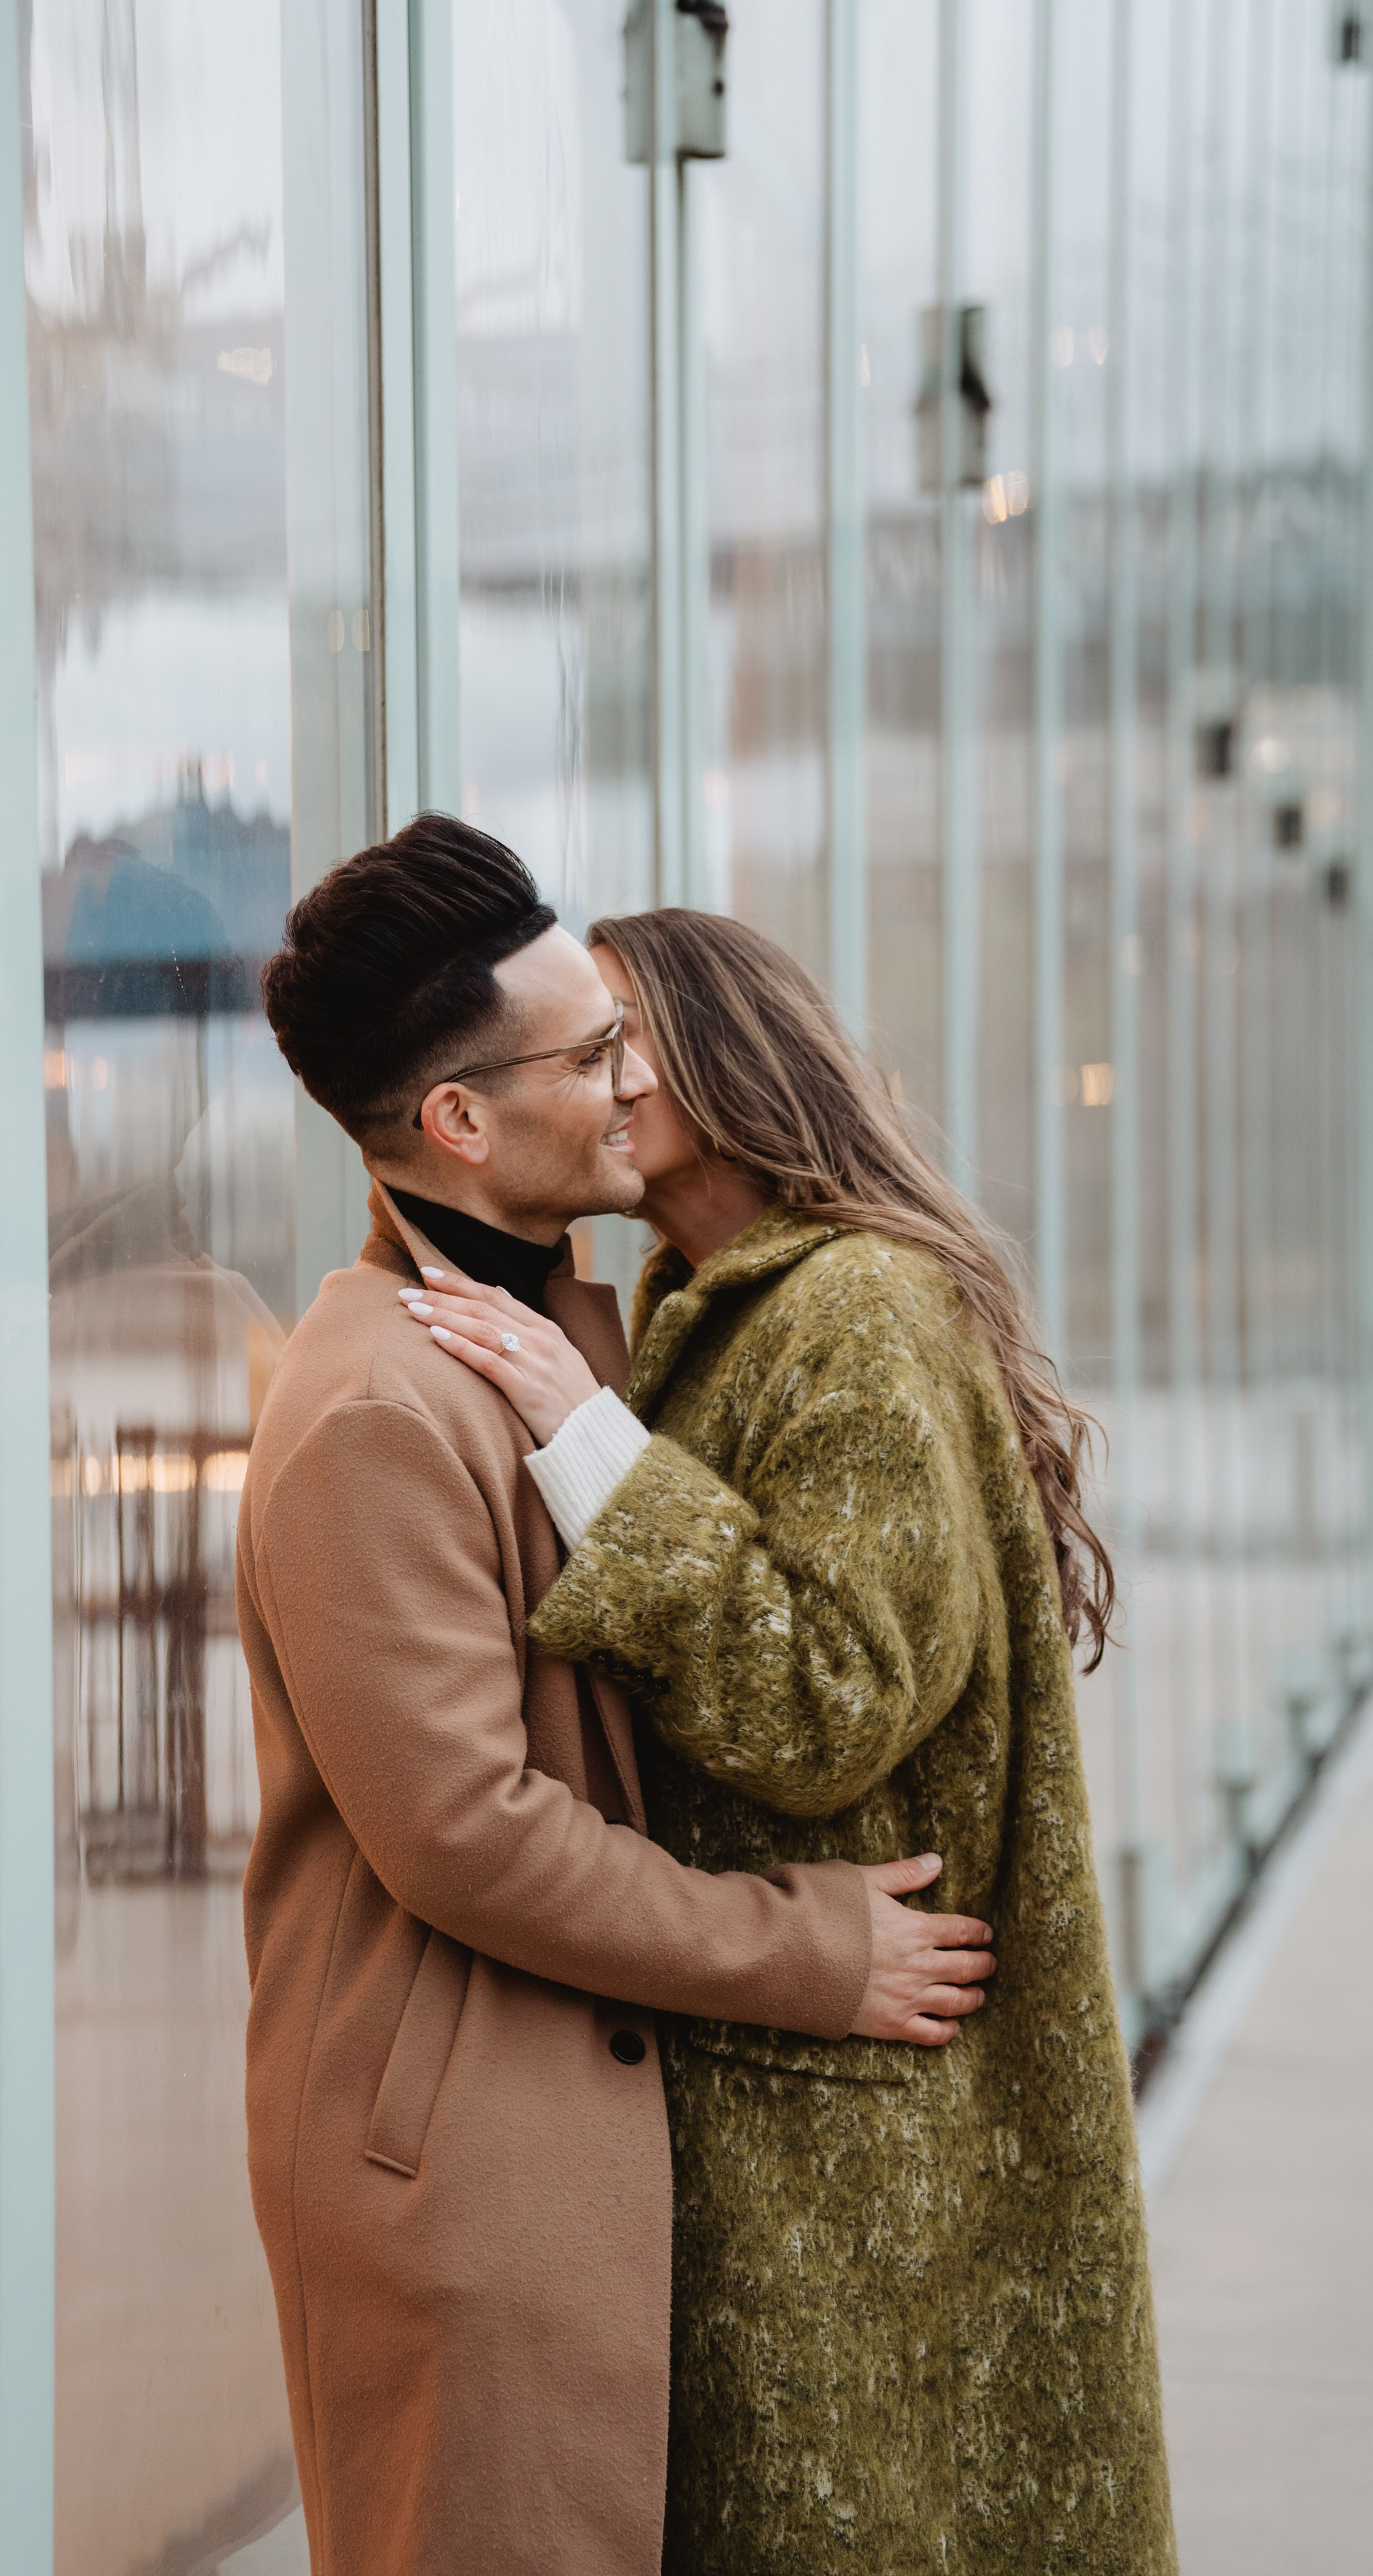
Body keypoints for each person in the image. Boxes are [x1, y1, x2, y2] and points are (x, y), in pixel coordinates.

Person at [238, 818, 997, 2576]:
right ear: (459, 1123)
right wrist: (809, 1950)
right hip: (469, 2193)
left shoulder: (578, 1332)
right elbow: (470, 1842)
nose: (631, 1078)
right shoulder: (374, 1408)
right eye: (590, 1055)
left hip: (568, 2153)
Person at [412, 905, 1177, 2576]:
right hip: (817, 2103)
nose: (593, 1084)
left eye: (618, 1039)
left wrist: (580, 1436)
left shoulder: (853, 1314)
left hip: (861, 2144)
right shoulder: (715, 1301)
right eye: (573, 1049)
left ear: (725, 1052)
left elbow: (827, 1701)